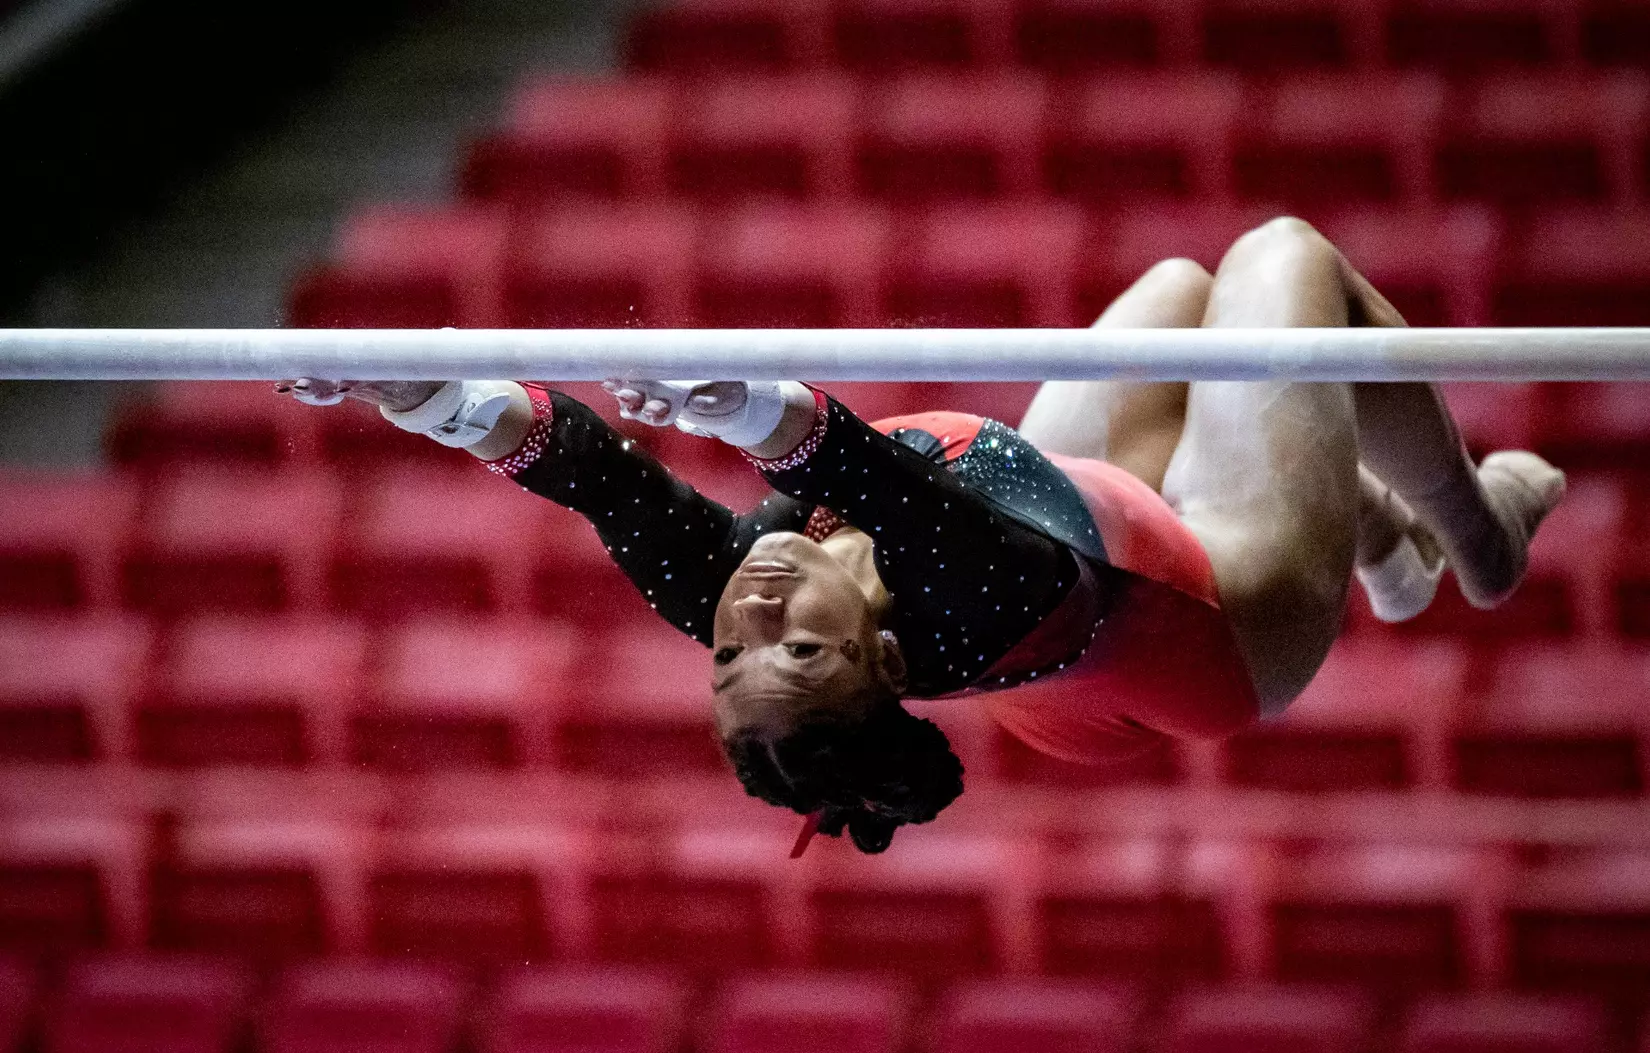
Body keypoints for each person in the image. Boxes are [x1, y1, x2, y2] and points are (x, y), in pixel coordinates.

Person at [277, 217, 1565, 855]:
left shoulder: (733, 590)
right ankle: (1478, 532)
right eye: (798, 654)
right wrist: (742, 402)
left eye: (730, 657)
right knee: (1278, 269)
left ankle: (1382, 539)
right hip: (1218, 619)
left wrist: (422, 392)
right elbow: (871, 477)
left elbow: (592, 476)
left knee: (1177, 296)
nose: (754, 616)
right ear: (886, 666)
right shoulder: (969, 596)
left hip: (1095, 576)